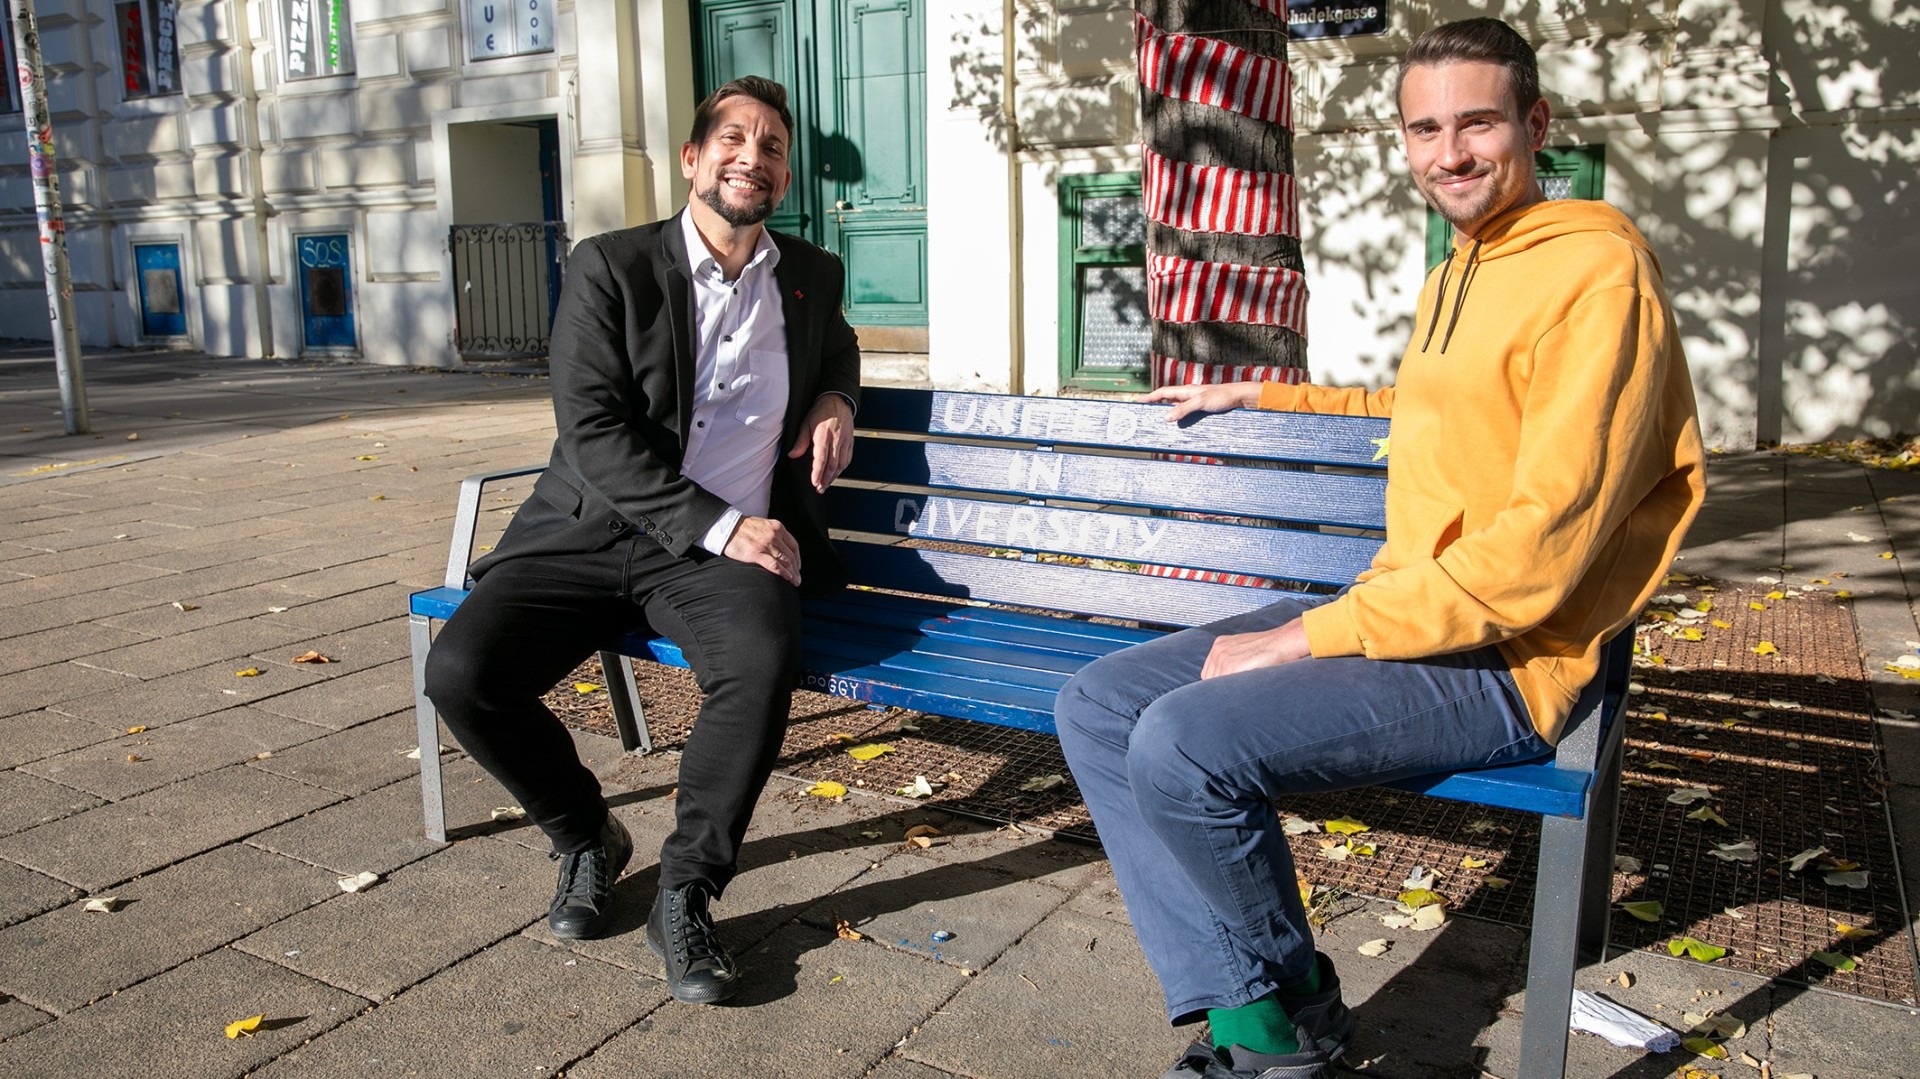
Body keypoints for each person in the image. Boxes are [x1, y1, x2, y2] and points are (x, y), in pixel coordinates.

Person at [1054, 18, 1705, 1079]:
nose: (1448, 153)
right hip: (1412, 605)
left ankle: (1267, 1038)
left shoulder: (1597, 271)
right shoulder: (1465, 263)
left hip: (1508, 657)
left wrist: (1306, 637)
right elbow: (1439, 404)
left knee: (1181, 742)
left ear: (1535, 124)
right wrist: (1270, 391)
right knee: (1099, 703)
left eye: (1477, 123)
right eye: (1424, 129)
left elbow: (1537, 556)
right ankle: (1290, 997)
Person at [424, 76, 861, 1006]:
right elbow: (591, 430)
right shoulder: (610, 266)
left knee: (759, 662)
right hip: (591, 531)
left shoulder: (809, 274)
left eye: (773, 145)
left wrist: (838, 397)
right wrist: (722, 520)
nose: (754, 155)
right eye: (734, 139)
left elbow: (839, 344)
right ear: (695, 160)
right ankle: (586, 832)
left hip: (717, 556)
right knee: (463, 673)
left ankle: (687, 889)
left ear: (783, 175)